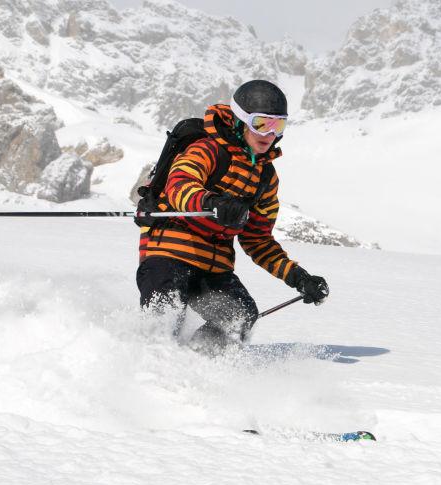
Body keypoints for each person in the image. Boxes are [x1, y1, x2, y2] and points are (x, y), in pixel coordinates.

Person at [136, 80, 329, 351]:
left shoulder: (265, 178)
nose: (269, 133)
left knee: (239, 317)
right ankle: (146, 366)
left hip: (213, 270)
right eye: (261, 123)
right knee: (165, 314)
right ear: (240, 121)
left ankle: (199, 364)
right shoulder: (208, 150)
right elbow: (180, 184)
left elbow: (258, 241)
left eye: (278, 125)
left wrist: (299, 277)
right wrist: (212, 202)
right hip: (169, 254)